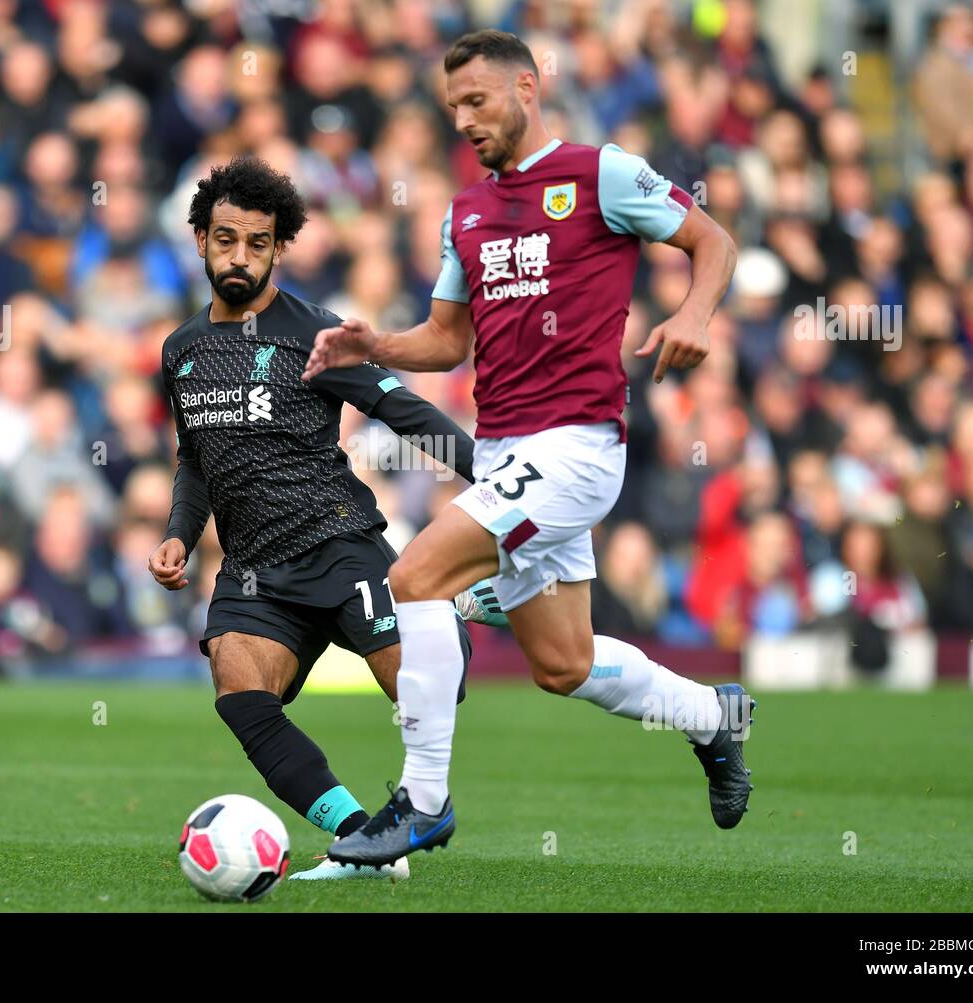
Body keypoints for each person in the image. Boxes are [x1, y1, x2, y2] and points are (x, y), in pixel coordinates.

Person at [303, 30, 751, 867]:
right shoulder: (464, 212)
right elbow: (444, 340)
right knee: (561, 662)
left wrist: (693, 315)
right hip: (507, 455)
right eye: (453, 109)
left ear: (527, 86)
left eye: (478, 101)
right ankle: (710, 716)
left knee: (414, 577)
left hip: (578, 447)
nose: (466, 120)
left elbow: (713, 242)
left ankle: (422, 803)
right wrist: (374, 346)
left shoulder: (600, 173)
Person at [147, 156, 501, 882]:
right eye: (225, 239)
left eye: (256, 242)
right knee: (239, 692)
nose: (239, 256)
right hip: (254, 571)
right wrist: (180, 532)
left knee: (430, 694)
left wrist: (500, 486)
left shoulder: (316, 334)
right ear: (200, 241)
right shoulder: (180, 351)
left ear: (279, 248)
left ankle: (452, 614)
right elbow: (194, 459)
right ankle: (362, 837)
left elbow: (403, 412)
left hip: (339, 548)